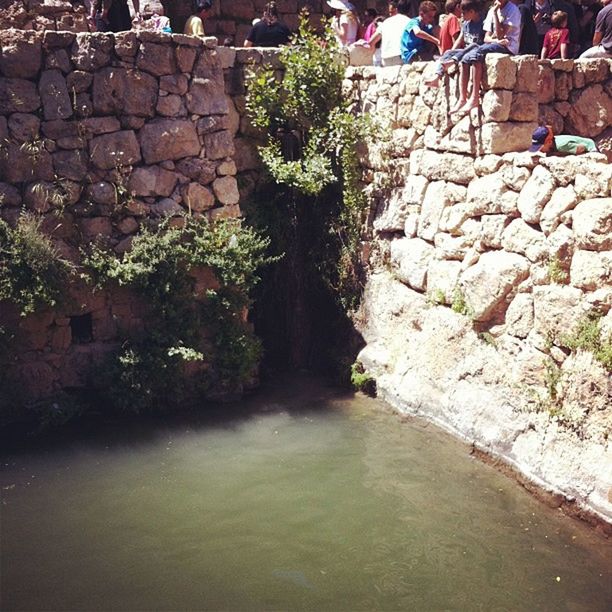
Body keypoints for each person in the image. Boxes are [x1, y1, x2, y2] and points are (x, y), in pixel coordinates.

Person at [452, 0, 521, 114]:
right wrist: (496, 40)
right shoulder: (492, 9)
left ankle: (474, 97)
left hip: (509, 47)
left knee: (476, 54)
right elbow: (486, 38)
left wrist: (495, 15)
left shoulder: (512, 10)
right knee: (465, 58)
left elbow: (501, 34)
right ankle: (463, 98)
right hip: (495, 44)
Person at [423, 1, 484, 88]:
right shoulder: (465, 23)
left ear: (472, 12)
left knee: (473, 46)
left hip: (475, 51)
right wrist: (452, 51)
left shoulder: (482, 24)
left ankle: (453, 61)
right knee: (448, 52)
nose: (462, 16)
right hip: (464, 51)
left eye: (464, 13)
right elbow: (459, 39)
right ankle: (437, 77)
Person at [368, 0, 411, 66]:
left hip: (385, 58)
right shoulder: (409, 22)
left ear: (397, 9)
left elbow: (371, 41)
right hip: (401, 56)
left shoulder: (385, 22)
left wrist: (374, 53)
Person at [529, 125, 598, 153]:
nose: (539, 150)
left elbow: (582, 147)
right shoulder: (553, 142)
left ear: (549, 142)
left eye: (540, 147)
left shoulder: (561, 146)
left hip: (591, 147)